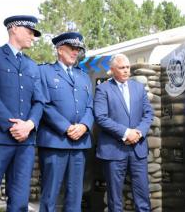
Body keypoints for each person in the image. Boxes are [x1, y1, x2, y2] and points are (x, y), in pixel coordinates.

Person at [37, 32, 94, 211]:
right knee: (50, 194)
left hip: (80, 144)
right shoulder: (44, 72)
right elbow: (43, 104)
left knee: (75, 195)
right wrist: (66, 127)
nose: (75, 52)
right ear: (60, 49)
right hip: (55, 141)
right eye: (72, 48)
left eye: (78, 49)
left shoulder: (83, 76)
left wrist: (84, 126)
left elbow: (90, 107)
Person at [94, 54, 153, 212]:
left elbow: (148, 114)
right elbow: (100, 117)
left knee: (143, 196)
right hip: (113, 150)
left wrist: (138, 133)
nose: (126, 70)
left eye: (128, 67)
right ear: (112, 70)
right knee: (115, 199)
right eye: (122, 68)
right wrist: (126, 133)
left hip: (138, 149)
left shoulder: (138, 88)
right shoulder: (103, 89)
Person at [0, 15, 43, 211]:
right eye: (29, 31)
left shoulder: (32, 65)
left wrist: (30, 124)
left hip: (25, 141)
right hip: (0, 138)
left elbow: (40, 101)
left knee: (19, 200)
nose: (33, 37)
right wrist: (12, 126)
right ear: (14, 29)